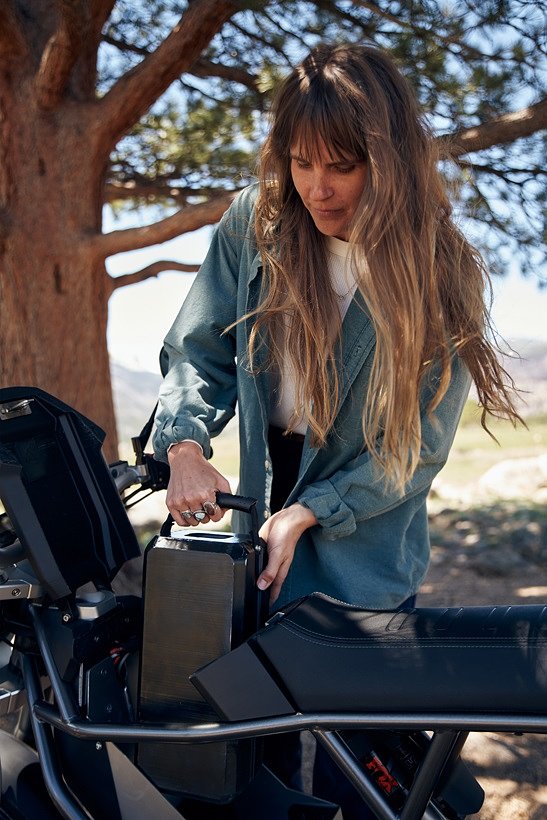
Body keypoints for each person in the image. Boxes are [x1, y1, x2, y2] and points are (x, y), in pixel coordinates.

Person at [152, 43, 521, 816]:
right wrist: (185, 447)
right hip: (255, 510)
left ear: (386, 162)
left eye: (342, 166)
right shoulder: (252, 225)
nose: (317, 188)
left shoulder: (438, 270)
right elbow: (197, 349)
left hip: (364, 534)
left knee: (375, 766)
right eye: (300, 163)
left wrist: (309, 513)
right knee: (258, 752)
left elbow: (411, 453)